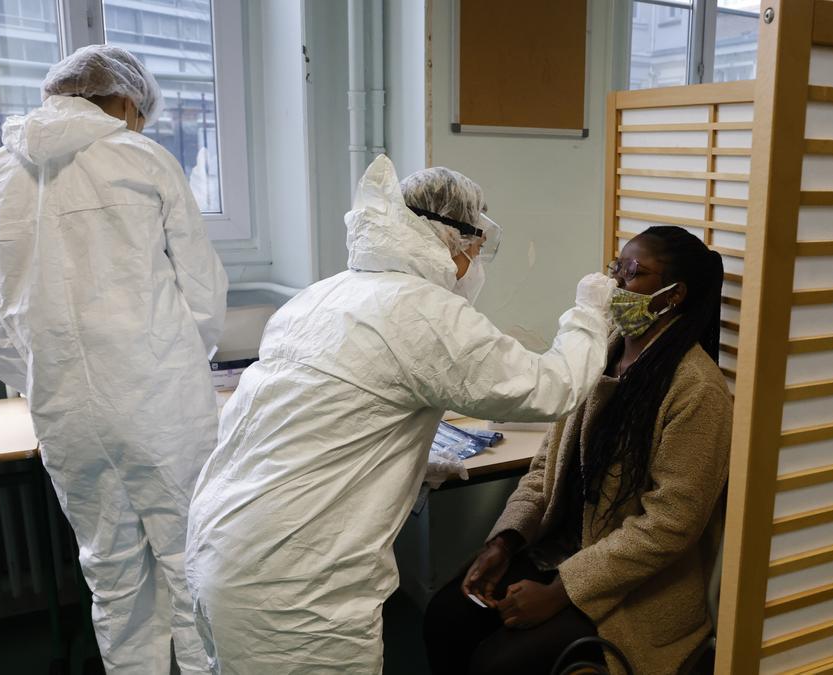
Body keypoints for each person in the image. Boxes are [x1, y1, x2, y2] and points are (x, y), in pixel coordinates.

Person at [185, 154, 616, 674]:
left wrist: (408, 465)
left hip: (222, 542)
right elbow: (554, 387)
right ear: (456, 241)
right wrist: (591, 312)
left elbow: (321, 420)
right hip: (296, 584)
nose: (477, 263)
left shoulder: (323, 295)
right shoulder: (425, 312)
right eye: (479, 247)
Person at [0, 45, 227, 673]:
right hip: (158, 403)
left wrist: (43, 366)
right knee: (189, 566)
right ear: (126, 101)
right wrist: (165, 359)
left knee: (111, 574)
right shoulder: (141, 158)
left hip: (64, 412)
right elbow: (202, 294)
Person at [424, 225, 733, 675]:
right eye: (616, 267)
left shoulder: (697, 391)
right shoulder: (599, 356)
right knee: (446, 616)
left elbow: (669, 526)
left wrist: (560, 591)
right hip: (558, 550)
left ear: (672, 295)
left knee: (500, 665)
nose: (615, 283)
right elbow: (545, 466)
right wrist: (504, 541)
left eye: (633, 272)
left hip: (634, 587)